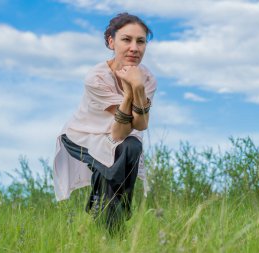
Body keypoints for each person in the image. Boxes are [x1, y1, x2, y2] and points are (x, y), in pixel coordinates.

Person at [53, 12, 156, 231]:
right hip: (82, 137)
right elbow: (119, 133)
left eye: (141, 41)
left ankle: (109, 212)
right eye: (126, 39)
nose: (134, 48)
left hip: (115, 136)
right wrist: (131, 92)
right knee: (116, 158)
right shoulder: (96, 78)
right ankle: (113, 219)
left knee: (132, 146)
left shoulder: (147, 78)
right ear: (111, 41)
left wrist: (138, 86)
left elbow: (140, 125)